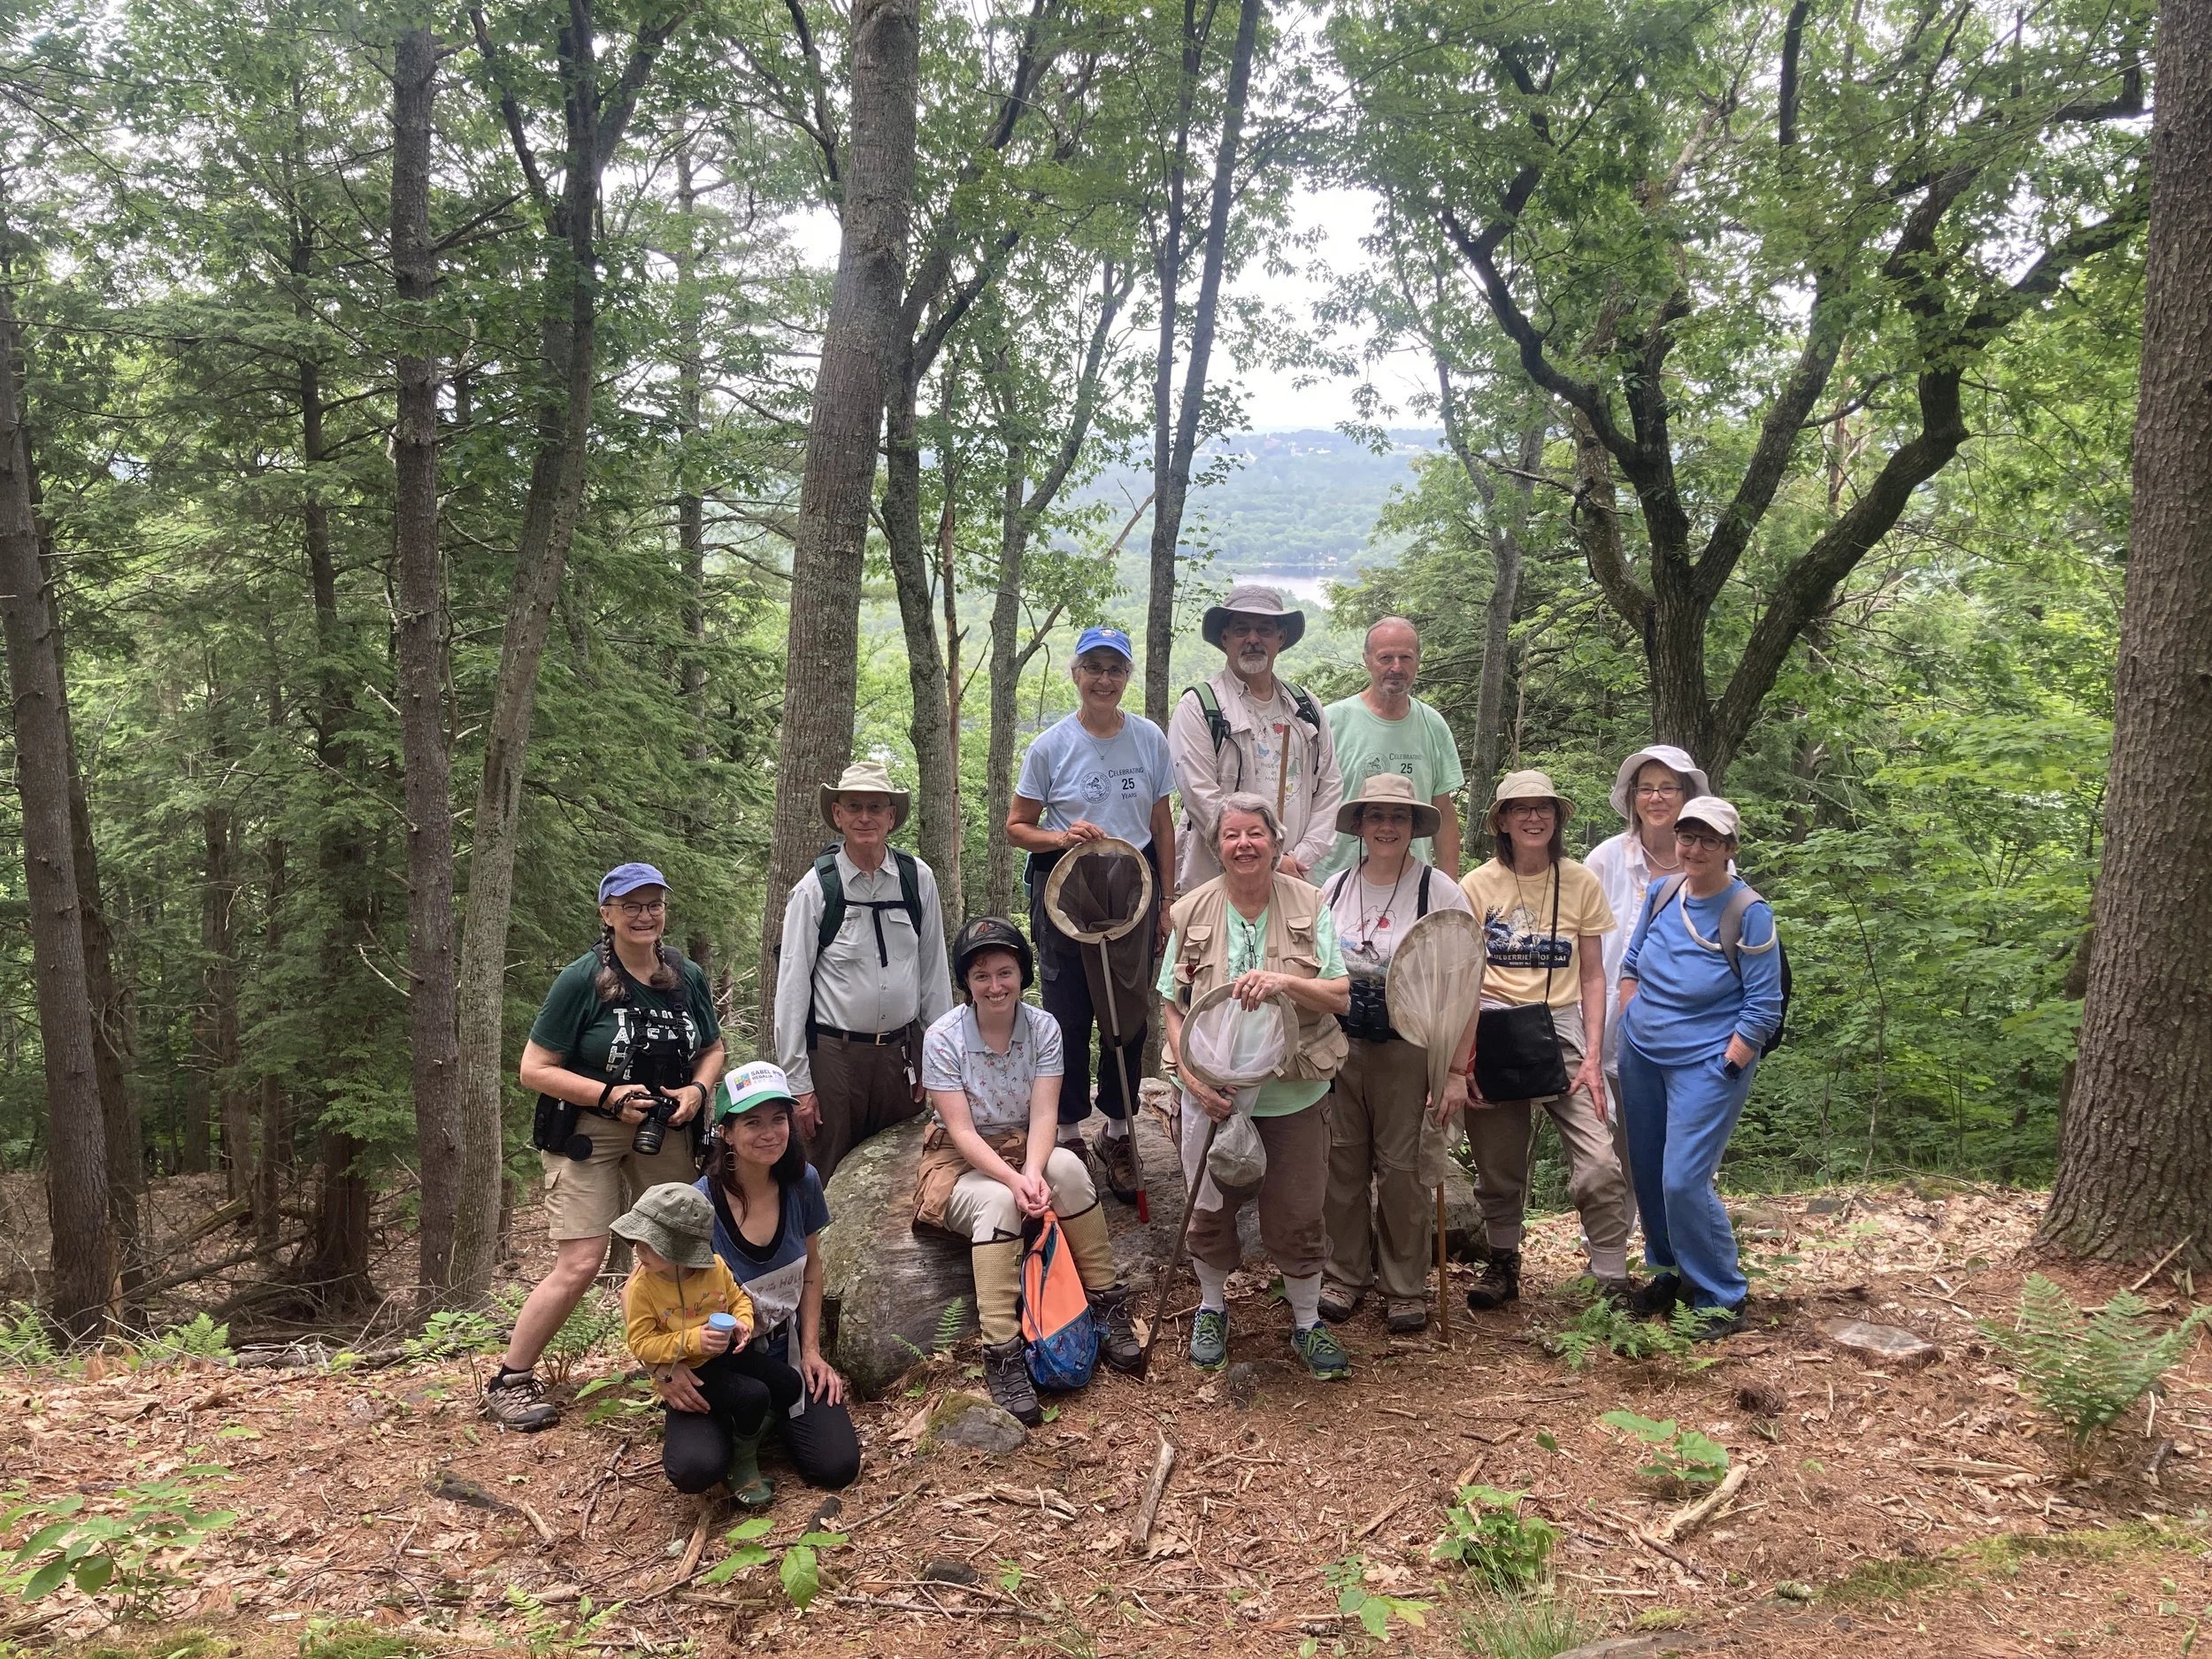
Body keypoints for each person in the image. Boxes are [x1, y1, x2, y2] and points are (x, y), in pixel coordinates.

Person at [488, 863, 726, 1432]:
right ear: (608, 914)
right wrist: (609, 1096)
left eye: (654, 905)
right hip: (585, 1130)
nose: (645, 915)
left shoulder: (684, 975)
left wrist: (698, 1090)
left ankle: (691, 1357)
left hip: (665, 1125)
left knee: (688, 1243)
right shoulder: (582, 980)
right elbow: (533, 1069)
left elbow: (712, 1047)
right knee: (583, 1260)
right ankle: (511, 1379)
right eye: (631, 905)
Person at [917, 918, 1144, 1425]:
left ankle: (1108, 1307)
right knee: (998, 1202)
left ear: (1023, 974)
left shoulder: (1043, 1028)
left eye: (1006, 972)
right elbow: (962, 1132)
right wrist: (1016, 1182)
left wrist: (1035, 1172)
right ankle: (1003, 1353)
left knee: (1069, 1170)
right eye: (981, 976)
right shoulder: (943, 1037)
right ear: (966, 983)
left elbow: (1045, 1113)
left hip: (1027, 1145)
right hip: (962, 1156)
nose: (995, 986)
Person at [1158, 795, 1353, 1379]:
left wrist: (1284, 981)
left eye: (1255, 833)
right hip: (1212, 1096)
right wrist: (1191, 1080)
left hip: (1293, 1091)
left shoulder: (1309, 902)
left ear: (1275, 839)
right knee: (1209, 1210)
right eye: (1231, 834)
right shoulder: (1192, 910)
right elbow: (1172, 1002)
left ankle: (1306, 1321)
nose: (1243, 843)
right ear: (1216, 846)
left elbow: (1340, 992)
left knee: (1298, 1211)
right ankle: (1213, 1307)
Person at [1006, 626, 1176, 1202]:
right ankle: (1072, 1133)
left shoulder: (1150, 739)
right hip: (1065, 887)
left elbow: (1160, 824)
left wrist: (1167, 900)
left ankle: (1121, 1132)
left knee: (1127, 1017)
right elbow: (1016, 827)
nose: (1104, 679)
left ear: (1127, 676)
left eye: (1115, 669)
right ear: (1076, 675)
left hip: (1131, 885)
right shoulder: (1050, 746)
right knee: (1069, 1015)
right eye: (1094, 667)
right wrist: (1058, 835)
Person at [1458, 772, 1636, 1309]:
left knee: (1600, 1160)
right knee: (1498, 1164)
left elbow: (1593, 975)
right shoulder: (1475, 886)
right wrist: (1460, 1059)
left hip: (1560, 1026)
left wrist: (1592, 1053)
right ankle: (1502, 1262)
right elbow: (1461, 973)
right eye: (1521, 809)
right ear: (1502, 822)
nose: (1533, 818)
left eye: (1544, 809)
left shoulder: (1580, 881)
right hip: (1490, 1024)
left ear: (1557, 819)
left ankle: (1609, 1275)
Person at [1616, 796, 1782, 1340]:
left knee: (1683, 1178)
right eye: (1688, 837)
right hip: (1641, 1051)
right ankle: (1668, 1272)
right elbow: (1633, 960)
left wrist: (1730, 1061)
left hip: (1707, 1063)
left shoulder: (1748, 911)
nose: (1694, 848)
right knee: (1647, 1172)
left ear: (1730, 848)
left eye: (1709, 839)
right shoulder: (1663, 892)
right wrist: (1630, 1009)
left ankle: (1721, 1294)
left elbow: (1764, 1006)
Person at [1317, 774, 1479, 1333]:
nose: (1387, 827)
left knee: (1404, 1169)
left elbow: (1467, 983)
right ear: (1359, 825)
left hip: (1411, 1050)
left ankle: (1404, 1285)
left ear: (1414, 827)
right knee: (1342, 1163)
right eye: (1376, 816)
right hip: (1342, 1047)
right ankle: (1344, 1273)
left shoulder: (1438, 891)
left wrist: (1456, 1068)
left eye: (1399, 817)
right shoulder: (1334, 889)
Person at [772, 762, 955, 1181]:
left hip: (901, 1055)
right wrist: (799, 1085)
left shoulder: (917, 879)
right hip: (834, 1059)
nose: (865, 817)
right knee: (825, 1170)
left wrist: (939, 1061)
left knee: (902, 1170)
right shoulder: (815, 889)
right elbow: (792, 989)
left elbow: (934, 973)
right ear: (837, 815)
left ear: (892, 816)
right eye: (854, 806)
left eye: (876, 807)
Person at [690, 1060, 863, 1496]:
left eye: (778, 1119)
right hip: (716, 1362)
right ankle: (743, 1422)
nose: (770, 1133)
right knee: (695, 1469)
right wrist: (665, 1370)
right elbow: (646, 1291)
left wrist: (811, 1351)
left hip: (783, 1354)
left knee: (836, 1466)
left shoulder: (802, 1182)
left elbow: (811, 1270)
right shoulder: (696, 1203)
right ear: (726, 1131)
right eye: (753, 1121)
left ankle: (766, 1422)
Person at [1586, 744, 1713, 1233]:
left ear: (1687, 796)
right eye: (1646, 788)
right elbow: (1584, 948)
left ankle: (1682, 1256)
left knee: (1684, 1152)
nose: (1656, 798)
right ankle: (1611, 1263)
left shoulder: (1711, 865)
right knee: (1618, 1150)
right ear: (1632, 797)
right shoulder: (1604, 861)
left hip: (1691, 1034)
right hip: (1615, 1030)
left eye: (1668, 788)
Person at [611, 1183, 798, 1505]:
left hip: (724, 1355)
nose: (639, 1252)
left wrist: (743, 1322)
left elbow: (739, 1298)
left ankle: (744, 1436)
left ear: (682, 1251)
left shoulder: (714, 1267)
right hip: (690, 1369)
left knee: (790, 1383)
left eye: (650, 1245)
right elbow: (641, 1344)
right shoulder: (644, 1288)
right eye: (636, 1242)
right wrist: (692, 1340)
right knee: (754, 1395)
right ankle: (741, 1461)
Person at [1168, 584, 1344, 889]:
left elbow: (1329, 788)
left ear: (1280, 639)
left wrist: (1300, 857)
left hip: (1294, 879)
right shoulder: (1200, 707)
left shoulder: (1305, 708)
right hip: (1217, 884)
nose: (1253, 639)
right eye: (1241, 629)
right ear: (1225, 639)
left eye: (1264, 629)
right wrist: (1272, 858)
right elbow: (1200, 798)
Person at [1315, 618, 1466, 881]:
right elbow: (1306, 802)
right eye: (1385, 658)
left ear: (1418, 659)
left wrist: (1449, 888)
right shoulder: (1332, 721)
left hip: (1410, 887)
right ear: (1367, 659)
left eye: (1405, 657)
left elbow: (1443, 812)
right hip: (1334, 884)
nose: (1396, 667)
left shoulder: (1432, 725)